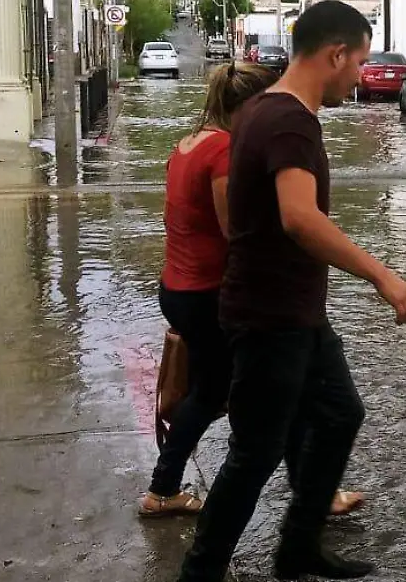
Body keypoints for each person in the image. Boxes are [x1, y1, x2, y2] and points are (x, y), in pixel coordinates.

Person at [177, 1, 406, 582]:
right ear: (335, 54)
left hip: (292, 311)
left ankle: (298, 545)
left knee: (339, 414)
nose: (360, 76)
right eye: (358, 62)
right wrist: (382, 275)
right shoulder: (289, 121)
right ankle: (200, 571)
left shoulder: (263, 109)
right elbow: (298, 219)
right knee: (256, 453)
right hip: (269, 316)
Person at [141, 62, 366, 519]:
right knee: (244, 398)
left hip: (181, 288)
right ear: (245, 106)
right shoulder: (224, 151)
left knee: (238, 394)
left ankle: (310, 492)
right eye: (264, 104)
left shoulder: (189, 144)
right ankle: (165, 490)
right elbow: (236, 232)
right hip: (209, 295)